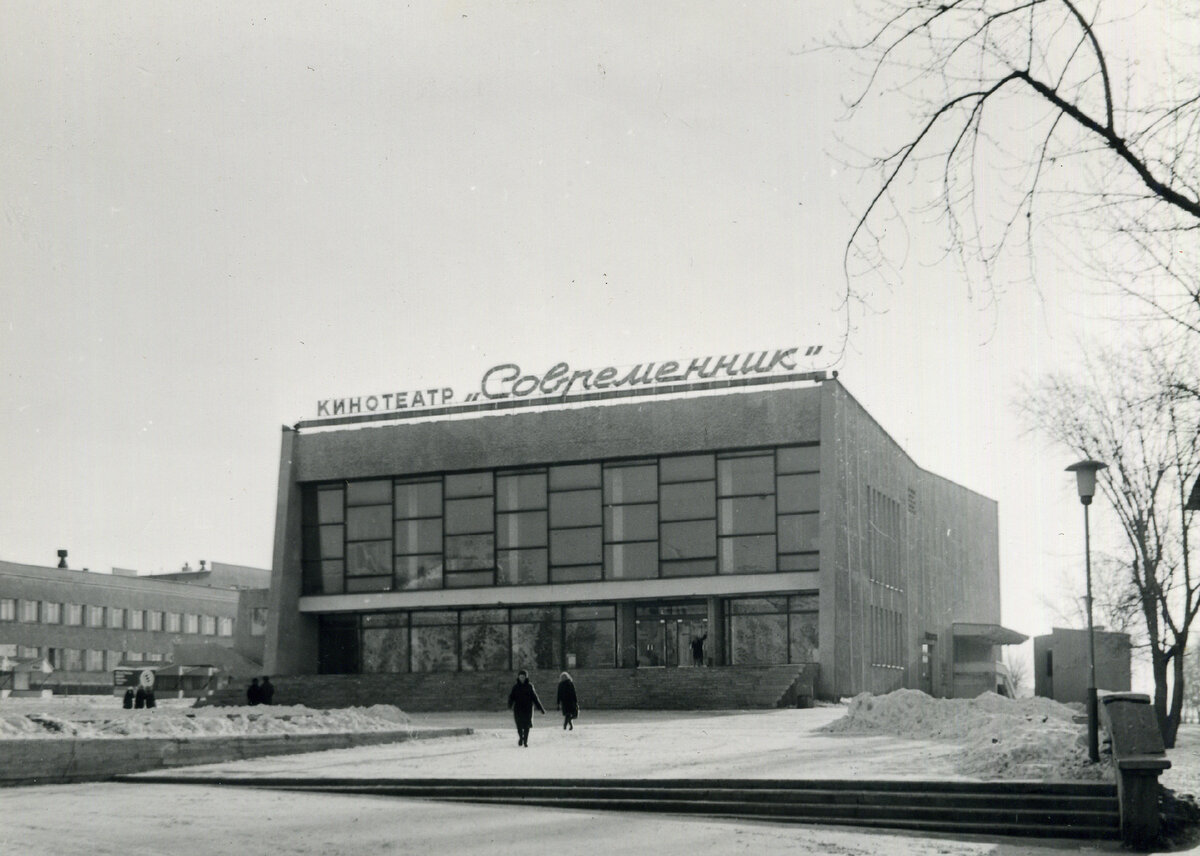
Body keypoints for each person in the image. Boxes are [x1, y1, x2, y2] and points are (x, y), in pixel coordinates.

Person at [506, 669, 545, 747]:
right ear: (518, 677)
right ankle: (521, 738)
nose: (522, 678)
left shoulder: (530, 686)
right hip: (518, 709)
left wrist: (541, 708)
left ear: (526, 677)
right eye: (520, 677)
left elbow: (535, 698)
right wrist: (509, 705)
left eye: (523, 677)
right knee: (519, 725)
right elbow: (511, 697)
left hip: (528, 709)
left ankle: (525, 741)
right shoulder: (515, 687)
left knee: (527, 725)